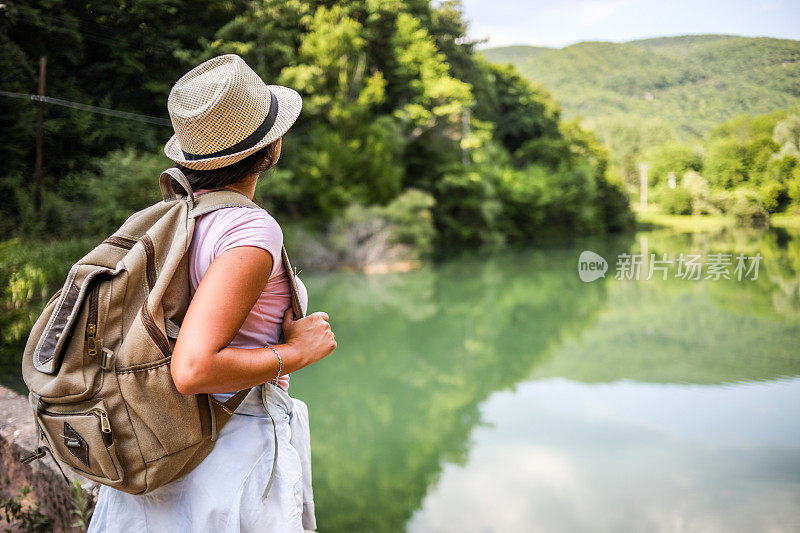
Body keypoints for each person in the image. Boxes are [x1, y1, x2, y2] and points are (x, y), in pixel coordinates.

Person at [87, 54, 336, 532]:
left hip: (158, 446)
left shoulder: (179, 218)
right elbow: (193, 367)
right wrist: (295, 352)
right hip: (223, 460)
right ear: (269, 148)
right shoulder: (250, 229)